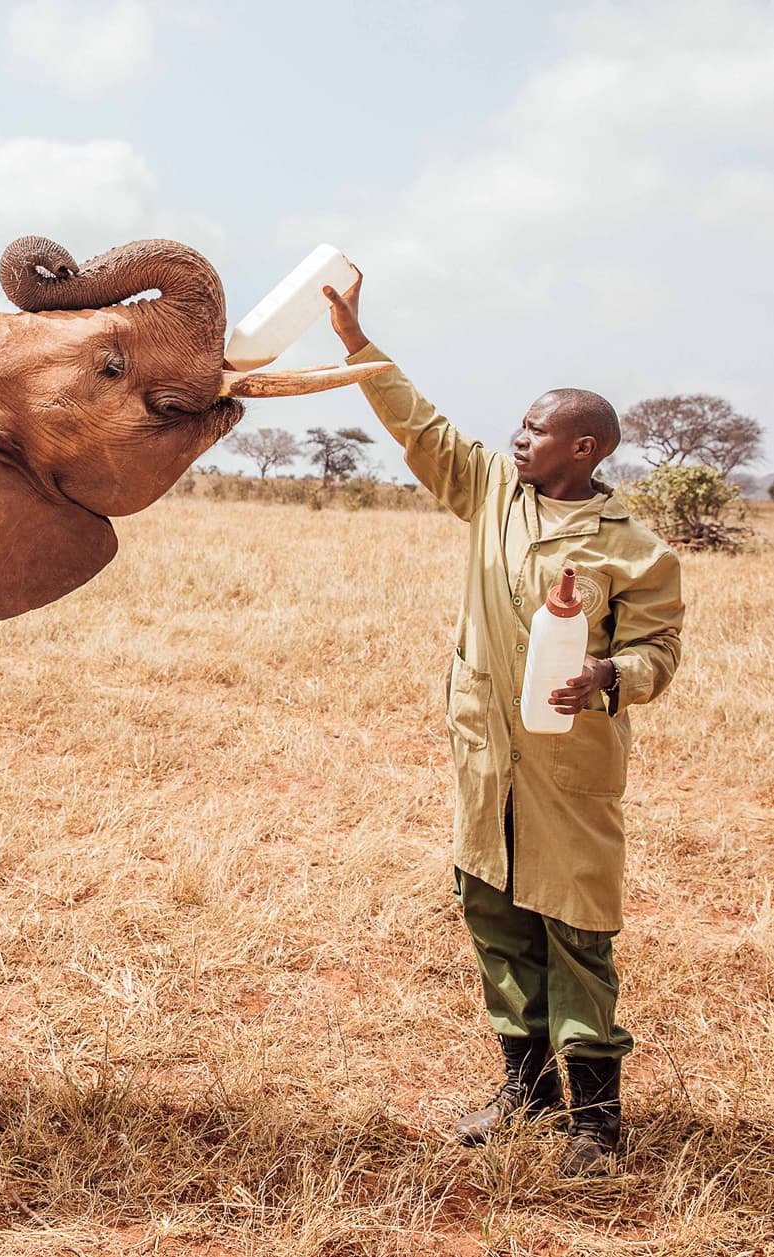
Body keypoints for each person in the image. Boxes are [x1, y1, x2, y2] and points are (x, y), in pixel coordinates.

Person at [325, 270, 684, 1176]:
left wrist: (607, 672)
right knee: (493, 915)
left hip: (570, 768)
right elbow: (421, 424)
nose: (515, 438)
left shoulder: (634, 548)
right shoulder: (490, 492)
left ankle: (595, 1123)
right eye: (519, 427)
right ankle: (525, 1092)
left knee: (576, 930)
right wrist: (357, 343)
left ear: (585, 446)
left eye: (535, 429)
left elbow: (657, 654)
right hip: (485, 758)